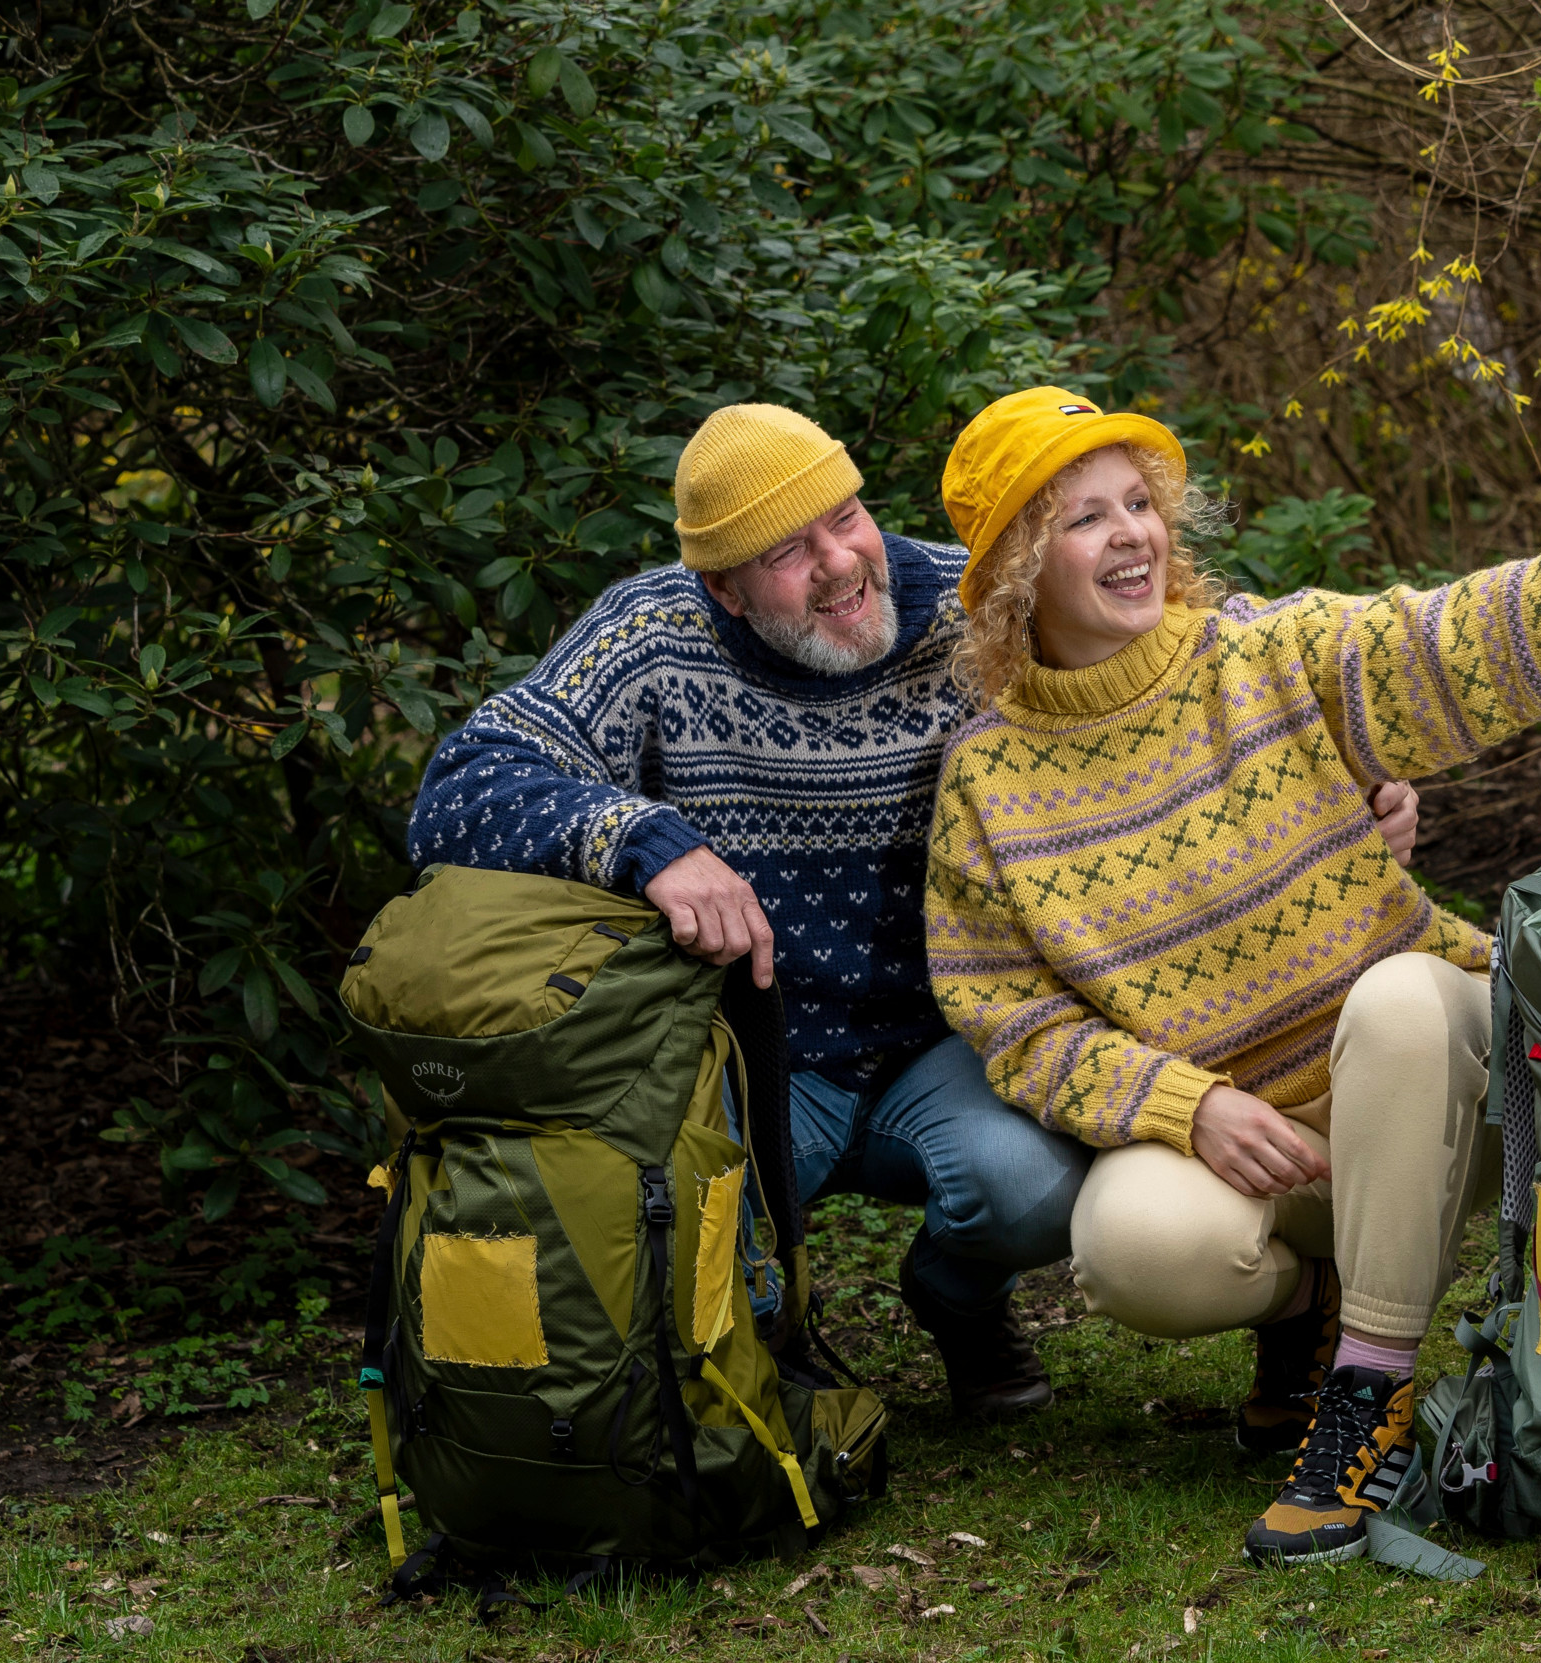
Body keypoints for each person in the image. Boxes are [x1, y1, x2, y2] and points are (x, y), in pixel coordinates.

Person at [407, 400, 1428, 1420]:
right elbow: (463, 786)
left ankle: (956, 1295)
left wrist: (1336, 768)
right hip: (750, 1047)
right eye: (788, 553)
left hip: (953, 1039)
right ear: (722, 588)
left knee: (1034, 1186)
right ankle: (756, 1347)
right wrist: (644, 841)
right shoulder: (649, 637)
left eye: (845, 518)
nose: (840, 564)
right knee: (676, 1199)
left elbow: (1194, 652)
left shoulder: (965, 604)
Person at [923, 385, 1541, 1563]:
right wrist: (1185, 1105)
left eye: (1140, 502)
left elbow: (1449, 635)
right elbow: (1013, 1018)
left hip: (1443, 1091)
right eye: (1086, 518)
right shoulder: (987, 782)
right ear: (1020, 569)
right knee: (1133, 1250)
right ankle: (1314, 1305)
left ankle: (1366, 1393)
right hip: (1265, 1142)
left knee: (1393, 998)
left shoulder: (1259, 653)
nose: (1133, 534)